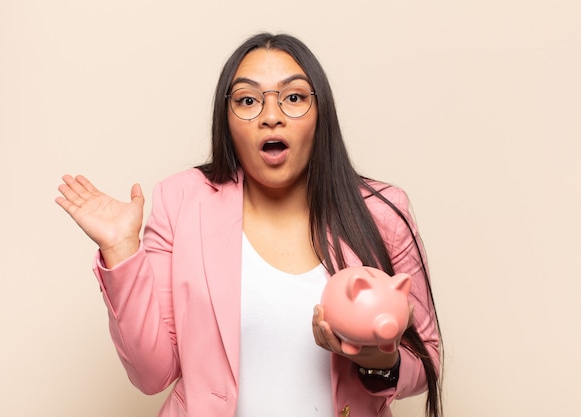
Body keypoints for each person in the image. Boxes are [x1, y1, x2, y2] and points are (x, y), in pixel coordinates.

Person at [56, 32, 442, 417]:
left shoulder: (383, 211)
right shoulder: (182, 201)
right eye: (247, 100)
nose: (270, 116)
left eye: (293, 98)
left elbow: (428, 360)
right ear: (226, 121)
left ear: (321, 113)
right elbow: (151, 374)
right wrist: (122, 248)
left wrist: (379, 360)